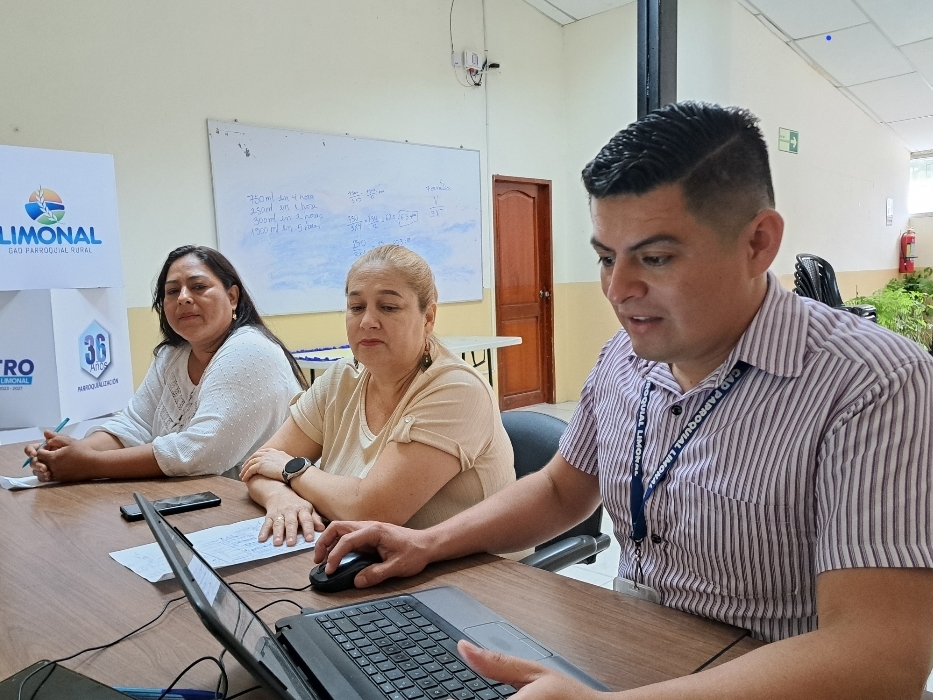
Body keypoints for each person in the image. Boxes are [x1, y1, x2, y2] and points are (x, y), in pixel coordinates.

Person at [310, 103, 933, 699]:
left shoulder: (874, 383)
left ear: (758, 243)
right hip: (625, 647)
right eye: (606, 258)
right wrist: (428, 543)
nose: (617, 289)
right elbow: (562, 489)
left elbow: (878, 658)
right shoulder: (625, 356)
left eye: (654, 258)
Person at [238, 244, 514, 545]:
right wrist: (281, 498)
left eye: (388, 307)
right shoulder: (342, 378)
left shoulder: (458, 390)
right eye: (356, 307)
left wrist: (291, 471)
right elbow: (258, 465)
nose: (367, 321)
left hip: (475, 568)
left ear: (428, 318)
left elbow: (370, 510)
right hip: (362, 554)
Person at [25, 245, 307, 482]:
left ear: (232, 297)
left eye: (198, 287)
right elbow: (135, 424)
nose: (183, 298)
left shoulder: (250, 350)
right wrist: (72, 453)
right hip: (191, 501)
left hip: (266, 510)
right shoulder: (173, 355)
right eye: (172, 291)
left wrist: (90, 465)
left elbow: (199, 453)